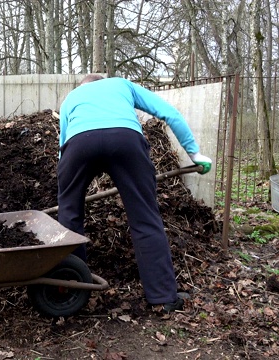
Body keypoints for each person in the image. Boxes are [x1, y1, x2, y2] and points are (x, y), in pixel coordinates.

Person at [57, 74, 212, 313]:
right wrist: (194, 154)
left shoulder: (71, 98)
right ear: (102, 80)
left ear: (83, 86)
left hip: (79, 145)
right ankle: (163, 297)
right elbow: (169, 113)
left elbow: (63, 145)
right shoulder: (121, 84)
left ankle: (70, 289)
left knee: (69, 218)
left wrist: (67, 185)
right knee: (145, 217)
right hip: (125, 140)